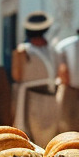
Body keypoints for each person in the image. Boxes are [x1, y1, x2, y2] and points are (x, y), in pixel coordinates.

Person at [11, 12, 60, 142]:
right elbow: (17, 76)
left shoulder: (52, 50)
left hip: (51, 99)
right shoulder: (23, 51)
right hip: (32, 99)